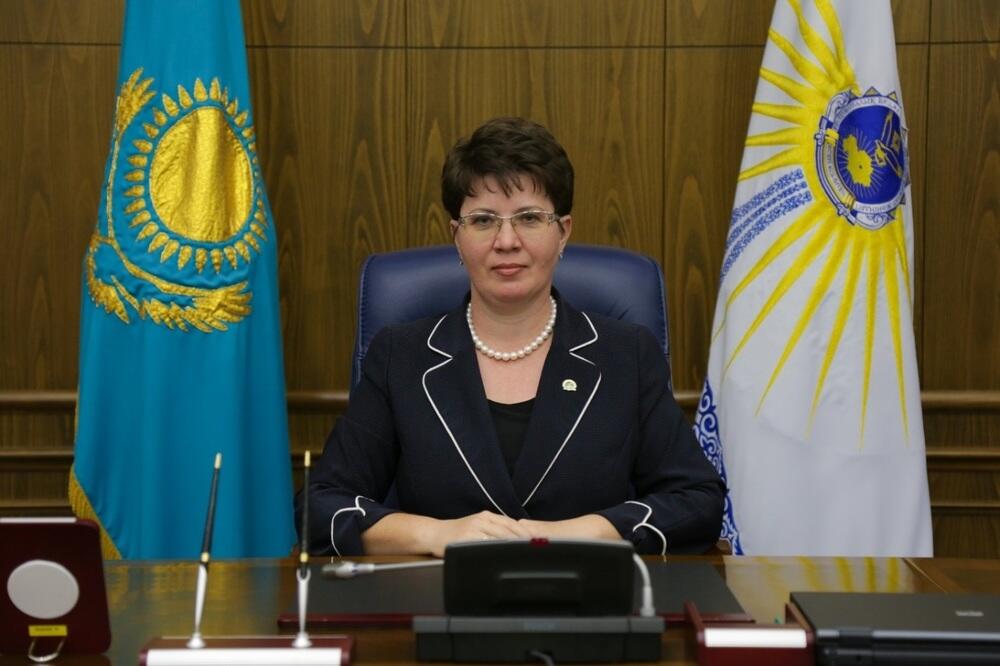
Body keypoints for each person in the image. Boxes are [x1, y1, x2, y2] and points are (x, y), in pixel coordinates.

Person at [298, 117, 724, 556]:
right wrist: (435, 535)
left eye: (529, 218)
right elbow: (320, 506)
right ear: (457, 237)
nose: (506, 241)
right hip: (441, 592)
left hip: (589, 592)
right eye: (483, 220)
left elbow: (698, 501)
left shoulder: (625, 354)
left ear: (563, 231)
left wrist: (586, 531)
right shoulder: (400, 357)